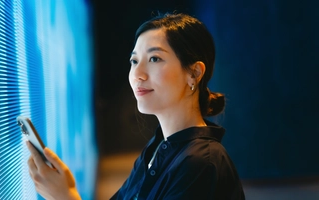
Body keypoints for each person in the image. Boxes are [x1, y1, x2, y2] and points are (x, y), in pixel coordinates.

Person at [26, 13, 245, 200]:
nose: (137, 75)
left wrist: (66, 196)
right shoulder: (159, 147)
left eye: (154, 59)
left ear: (194, 73)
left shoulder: (200, 163)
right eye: (134, 61)